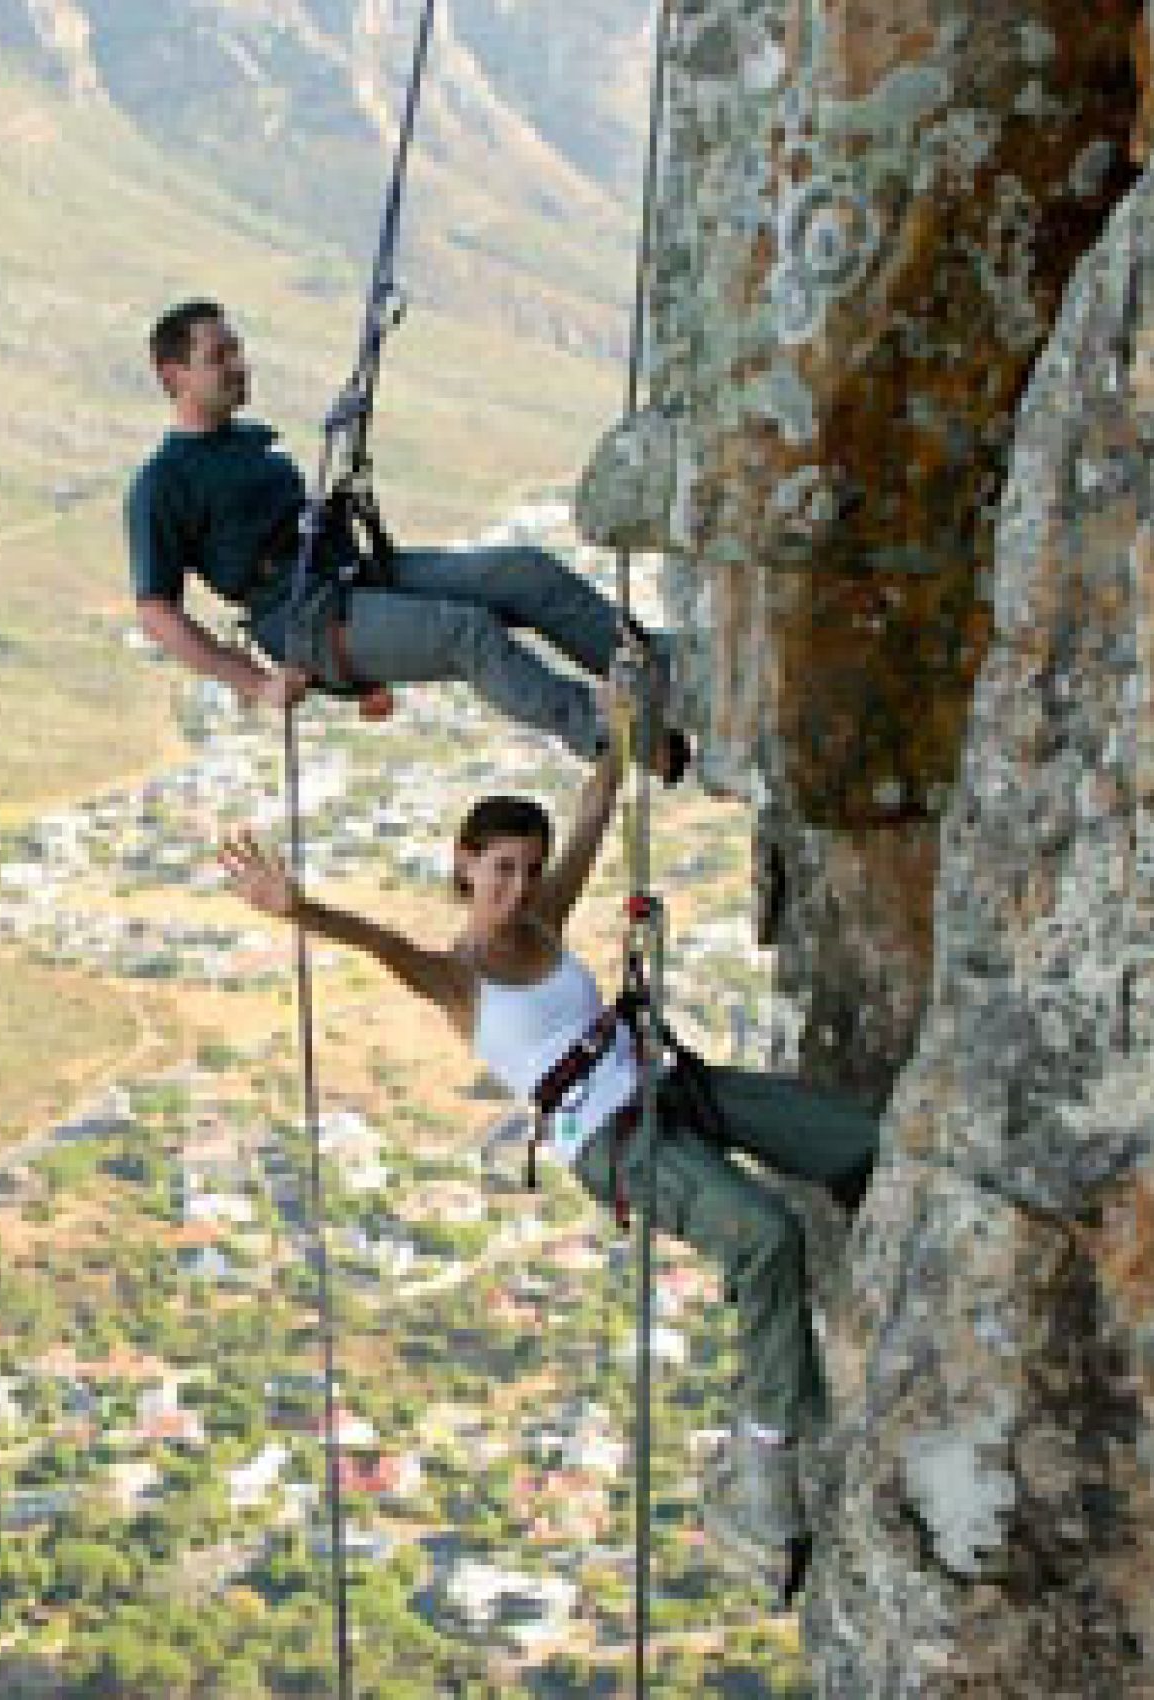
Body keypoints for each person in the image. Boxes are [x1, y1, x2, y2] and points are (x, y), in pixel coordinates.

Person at [214, 679, 876, 1575]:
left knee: (864, 1141)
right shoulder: (461, 978)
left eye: (528, 868)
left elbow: (598, 809)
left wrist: (620, 720)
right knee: (764, 1236)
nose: (519, 887)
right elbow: (379, 944)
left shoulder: (547, 922)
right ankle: (768, 1456)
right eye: (500, 872)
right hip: (615, 1143)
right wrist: (294, 909)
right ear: (464, 869)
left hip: (667, 1086)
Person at [127, 299, 689, 779]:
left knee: (522, 572)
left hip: (351, 575)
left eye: (236, 349)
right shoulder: (162, 483)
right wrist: (254, 683)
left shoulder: (246, 441)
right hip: (308, 623)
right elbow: (157, 613)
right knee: (467, 634)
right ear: (173, 375)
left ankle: (662, 669)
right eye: (218, 357)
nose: (239, 364)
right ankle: (616, 736)